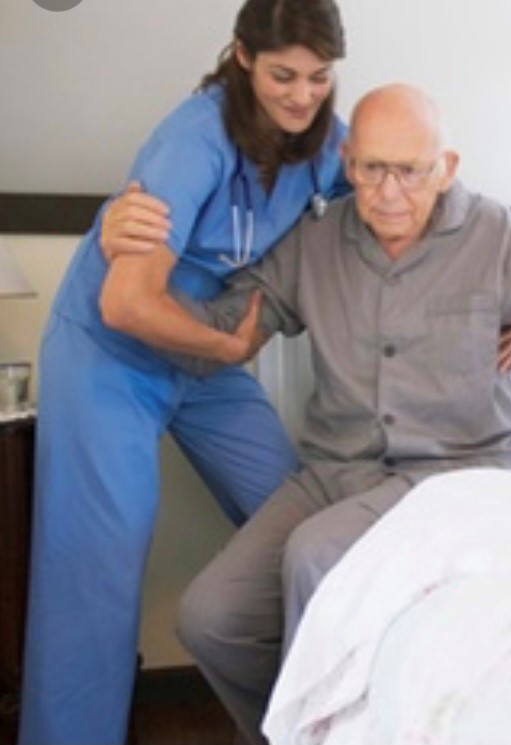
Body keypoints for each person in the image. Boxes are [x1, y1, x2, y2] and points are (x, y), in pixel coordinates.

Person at [132, 82, 511, 745]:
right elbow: (231, 324)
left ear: (446, 167)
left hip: (459, 468)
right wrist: (138, 275)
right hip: (335, 472)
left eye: (410, 171)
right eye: (372, 169)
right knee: (210, 618)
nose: (388, 191)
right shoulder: (315, 242)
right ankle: (292, 733)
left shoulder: (501, 239)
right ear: (348, 162)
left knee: (315, 554)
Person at [18, 2, 349, 743]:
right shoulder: (194, 139)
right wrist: (227, 350)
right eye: (283, 76)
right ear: (243, 58)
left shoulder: (327, 138)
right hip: (111, 354)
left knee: (299, 523)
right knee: (96, 572)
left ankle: (313, 718)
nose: (302, 96)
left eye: (319, 77)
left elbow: (408, 195)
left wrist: (503, 302)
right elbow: (126, 302)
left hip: (201, 351)